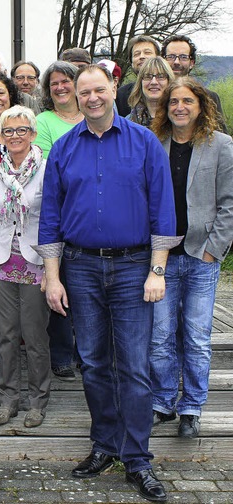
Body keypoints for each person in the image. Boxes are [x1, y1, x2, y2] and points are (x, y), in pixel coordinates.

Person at [38, 64, 177, 503]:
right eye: (85, 92)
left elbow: (163, 207)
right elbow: (51, 218)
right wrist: (53, 277)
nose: (93, 98)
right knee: (94, 362)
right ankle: (103, 445)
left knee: (134, 365)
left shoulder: (144, 142)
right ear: (75, 97)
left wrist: (157, 270)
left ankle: (136, 458)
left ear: (114, 88)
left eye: (100, 89)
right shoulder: (62, 148)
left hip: (135, 267)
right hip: (79, 267)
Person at [150, 77, 233, 438]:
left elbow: (229, 203)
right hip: (162, 256)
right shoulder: (154, 144)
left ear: (201, 106)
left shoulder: (221, 146)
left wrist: (215, 248)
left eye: (187, 101)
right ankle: (164, 400)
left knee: (197, 336)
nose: (179, 107)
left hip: (201, 255)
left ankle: (192, 406)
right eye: (173, 102)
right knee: (160, 335)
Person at [0, 105, 51, 428]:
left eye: (22, 130)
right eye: (8, 131)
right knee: (6, 336)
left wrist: (54, 269)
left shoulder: (49, 170)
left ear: (33, 134)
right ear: (1, 135)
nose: (15, 136)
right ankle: (8, 398)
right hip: (3, 264)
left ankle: (37, 400)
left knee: (35, 337)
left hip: (37, 264)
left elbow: (54, 222)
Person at [33, 61, 82, 381]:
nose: (61, 87)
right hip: (58, 213)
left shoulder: (96, 114)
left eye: (66, 81)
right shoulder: (43, 120)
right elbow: (46, 165)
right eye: (54, 84)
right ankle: (62, 354)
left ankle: (87, 353)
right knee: (59, 283)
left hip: (91, 216)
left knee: (86, 290)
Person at [161, 35, 227, 133]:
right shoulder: (157, 95)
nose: (176, 62)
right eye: (171, 57)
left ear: (192, 63)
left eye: (183, 57)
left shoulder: (209, 97)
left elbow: (221, 138)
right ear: (163, 61)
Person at [117, 35, 160, 117]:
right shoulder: (121, 96)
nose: (142, 56)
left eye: (147, 52)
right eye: (136, 54)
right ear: (131, 62)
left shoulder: (170, 91)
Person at [127, 57, 174, 128]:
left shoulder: (177, 120)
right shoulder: (128, 123)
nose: (154, 82)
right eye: (148, 77)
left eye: (160, 76)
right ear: (140, 82)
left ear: (169, 81)